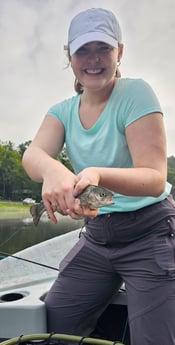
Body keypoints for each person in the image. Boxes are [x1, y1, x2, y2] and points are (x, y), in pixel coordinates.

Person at [22, 7, 175, 345]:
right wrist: (55, 172)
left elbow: (153, 177)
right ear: (70, 56)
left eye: (103, 48)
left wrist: (93, 174)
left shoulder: (135, 93)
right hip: (97, 239)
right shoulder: (61, 111)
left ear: (120, 52)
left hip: (150, 235)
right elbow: (32, 155)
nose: (94, 59)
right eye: (83, 50)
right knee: (52, 328)